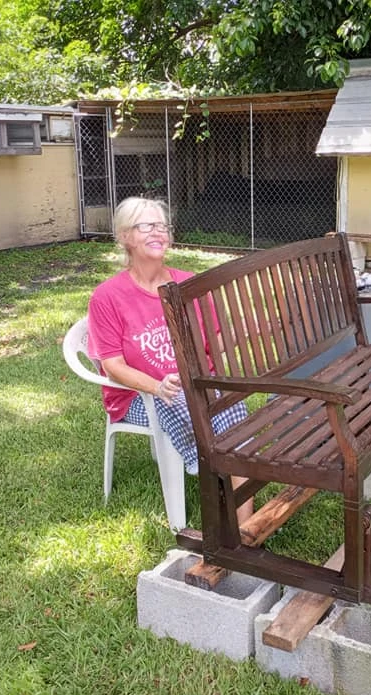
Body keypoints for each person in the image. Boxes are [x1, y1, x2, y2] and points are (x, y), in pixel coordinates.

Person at [86, 196, 253, 524]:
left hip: (193, 383)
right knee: (186, 405)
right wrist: (157, 386)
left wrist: (242, 335)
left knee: (233, 406)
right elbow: (113, 366)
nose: (157, 232)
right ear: (125, 237)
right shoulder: (107, 296)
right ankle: (219, 473)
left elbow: (213, 343)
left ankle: (245, 524)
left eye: (162, 226)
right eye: (146, 226)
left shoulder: (188, 283)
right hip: (139, 395)